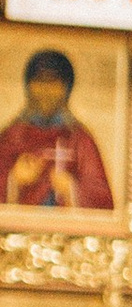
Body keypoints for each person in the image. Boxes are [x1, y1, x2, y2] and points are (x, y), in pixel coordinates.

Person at [0, 50, 112, 211]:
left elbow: (102, 199)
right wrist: (14, 180)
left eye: (53, 82)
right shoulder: (12, 136)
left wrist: (71, 189)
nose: (46, 90)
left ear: (66, 88)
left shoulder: (79, 139)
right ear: (28, 86)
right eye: (40, 81)